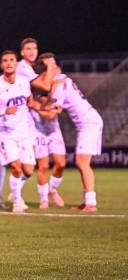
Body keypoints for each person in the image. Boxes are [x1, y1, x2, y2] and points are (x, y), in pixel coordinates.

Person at [37, 53, 104, 212]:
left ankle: (91, 203)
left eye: (51, 66)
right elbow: (49, 102)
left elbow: (53, 112)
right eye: (45, 67)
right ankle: (87, 200)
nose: (48, 70)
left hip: (89, 122)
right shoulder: (60, 81)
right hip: (88, 122)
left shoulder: (60, 84)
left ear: (57, 67)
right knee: (82, 162)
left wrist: (35, 105)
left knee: (82, 162)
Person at [0, 51, 46, 213]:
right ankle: (17, 202)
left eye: (12, 60)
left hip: (24, 132)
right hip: (5, 133)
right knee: (16, 167)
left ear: (16, 64)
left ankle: (13, 192)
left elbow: (28, 101)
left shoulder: (24, 82)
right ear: (1, 65)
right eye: (5, 61)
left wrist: (43, 106)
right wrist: (4, 111)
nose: (9, 63)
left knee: (28, 170)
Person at [27, 74, 66, 209]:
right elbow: (47, 112)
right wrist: (35, 105)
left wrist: (36, 106)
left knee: (60, 164)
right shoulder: (32, 100)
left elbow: (50, 115)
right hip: (39, 134)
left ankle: (52, 189)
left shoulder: (55, 100)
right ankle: (43, 199)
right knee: (43, 166)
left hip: (55, 133)